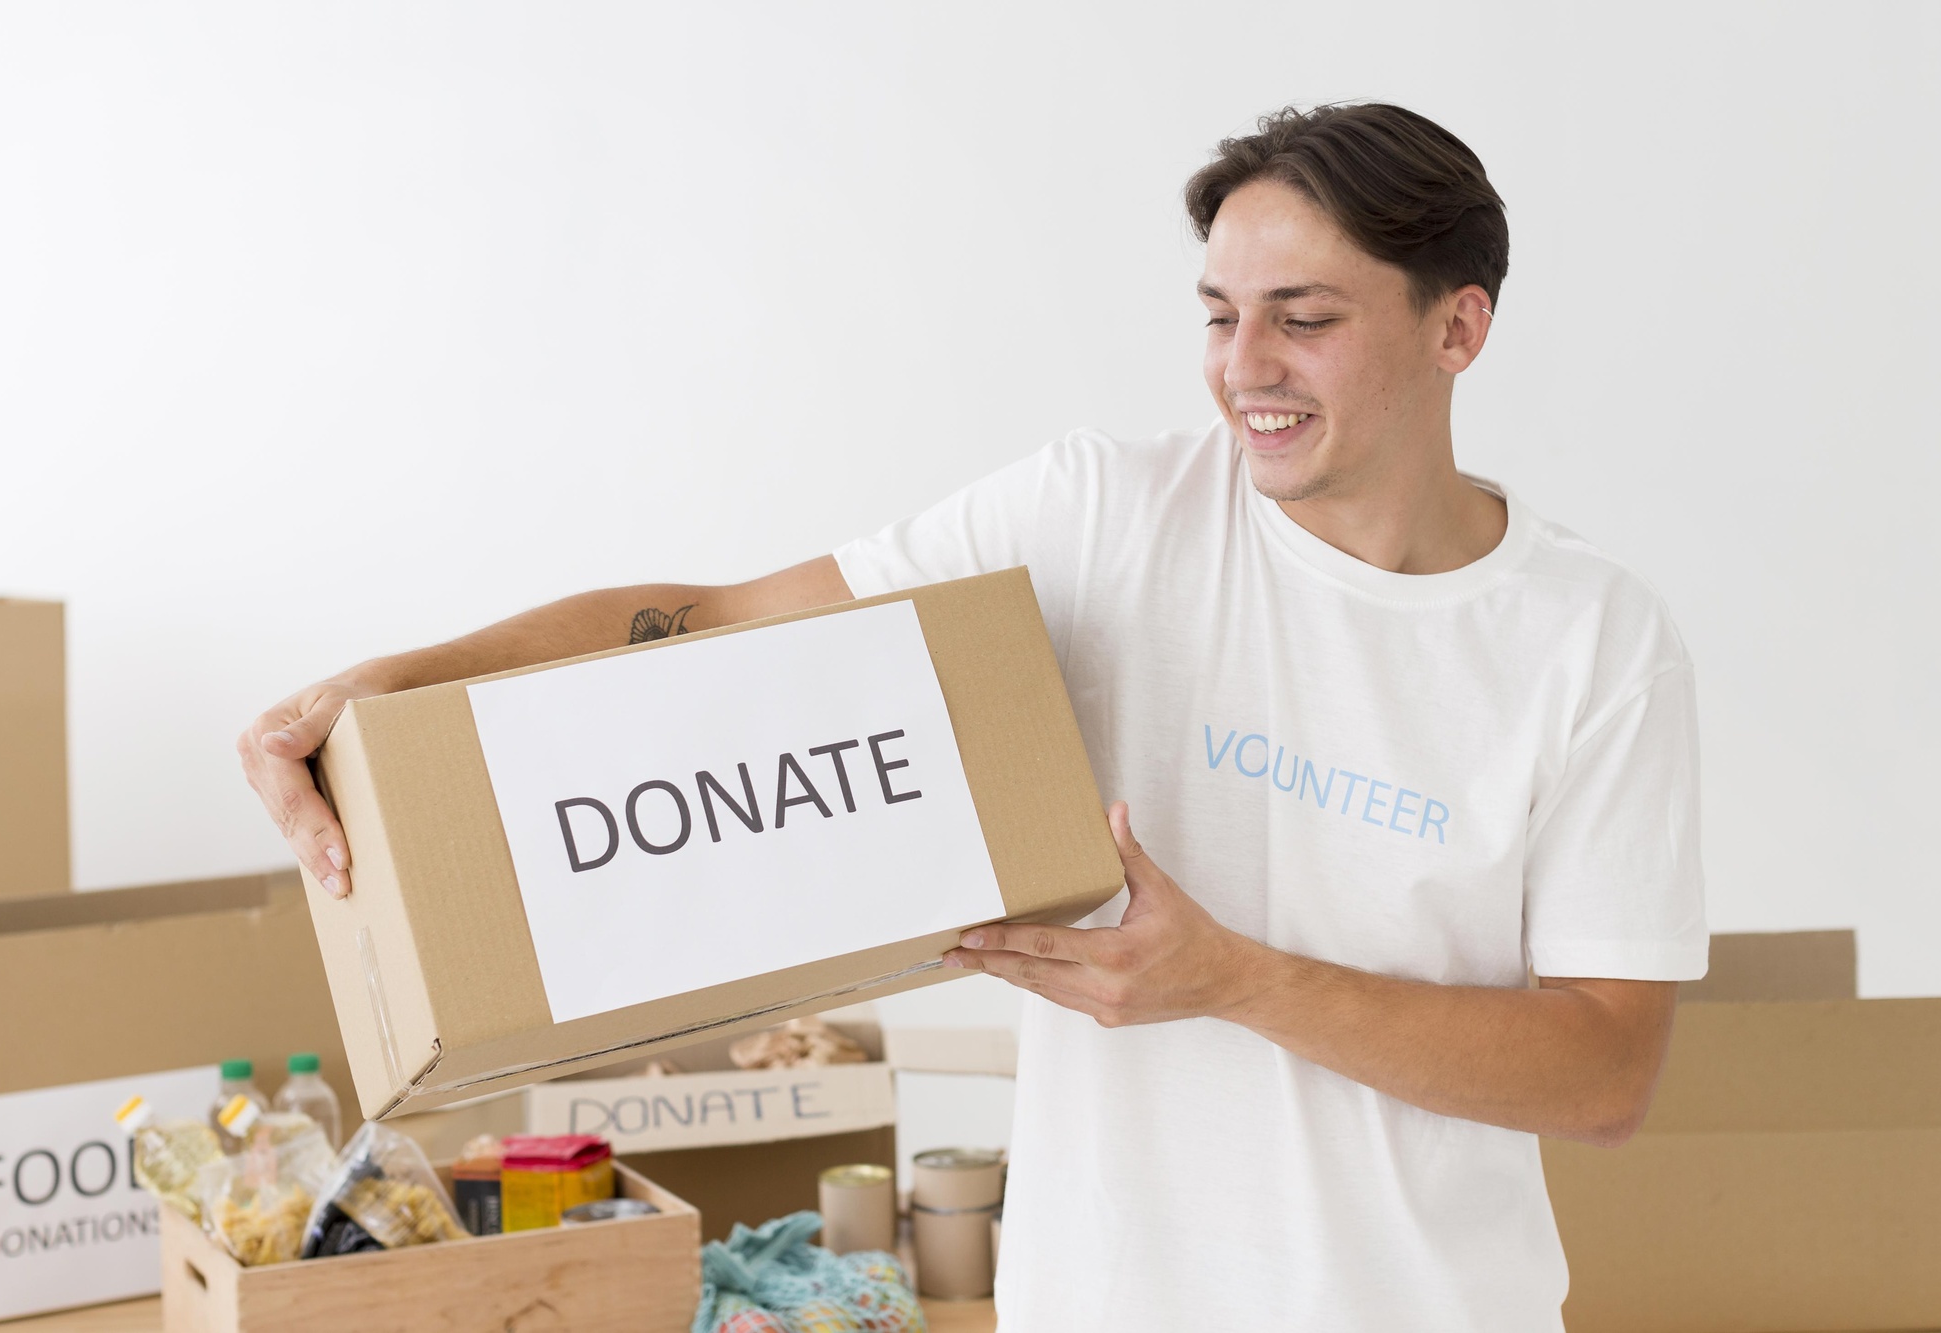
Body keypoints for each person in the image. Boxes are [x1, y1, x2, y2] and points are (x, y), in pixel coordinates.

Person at [240, 102, 1704, 1330]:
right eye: (1219, 314)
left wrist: (1232, 978)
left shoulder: (1591, 638)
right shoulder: (1101, 516)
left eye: (1304, 320)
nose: (1243, 368)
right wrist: (401, 686)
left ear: (1460, 326)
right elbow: (724, 623)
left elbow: (1602, 1069)